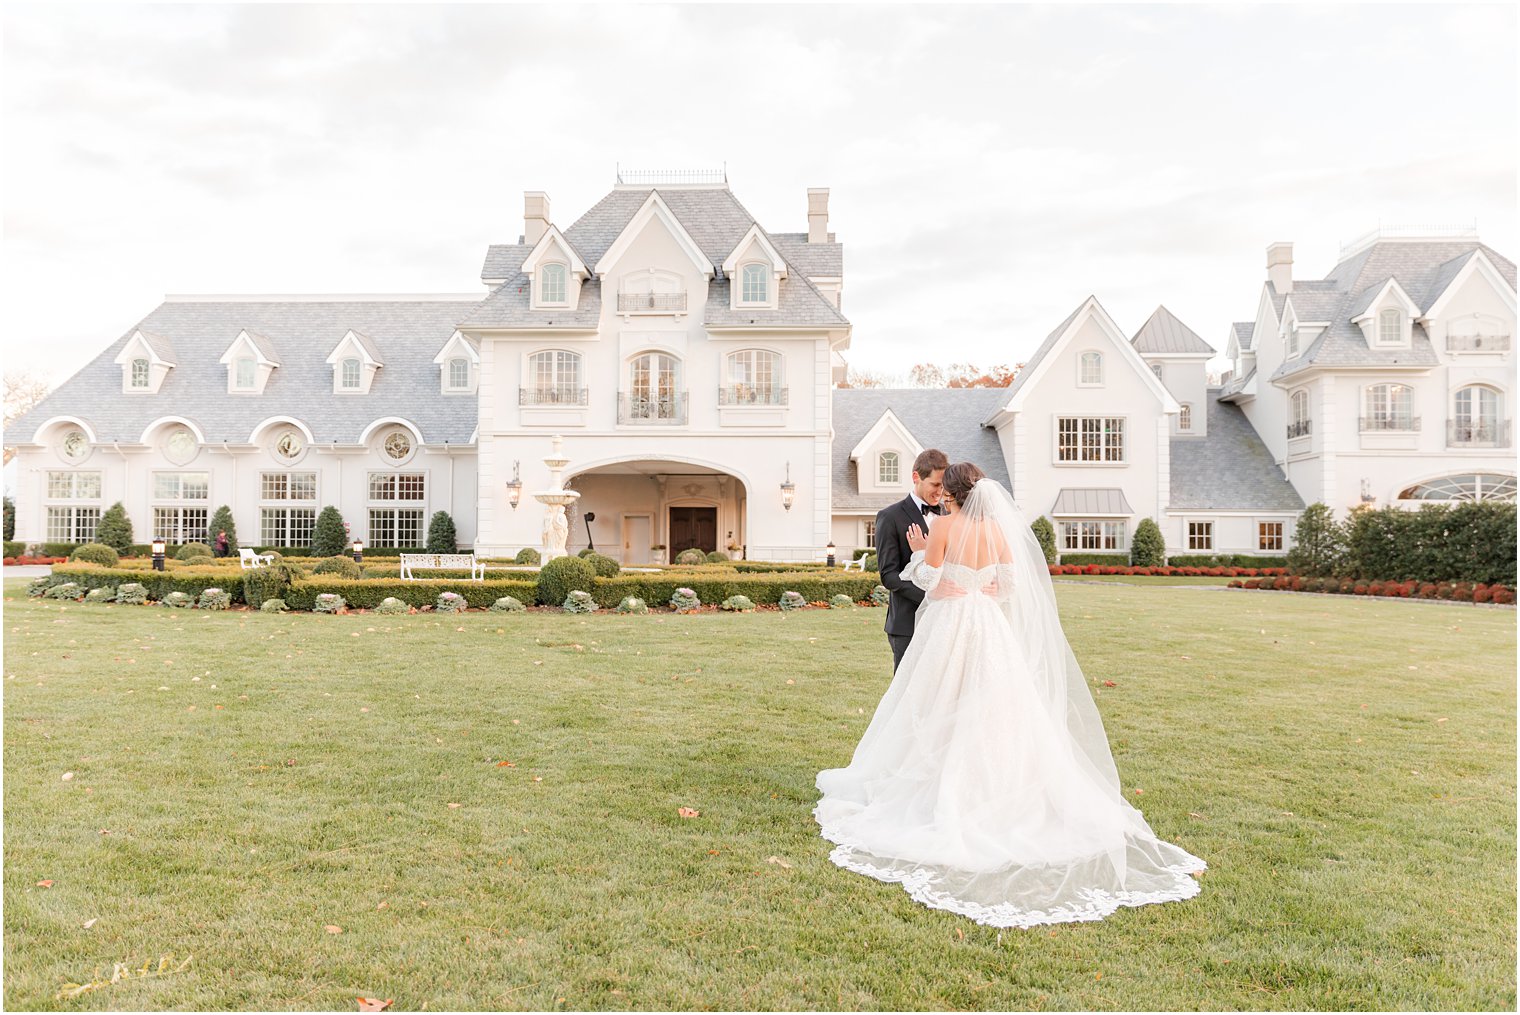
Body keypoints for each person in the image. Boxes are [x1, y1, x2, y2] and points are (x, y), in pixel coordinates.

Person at [815, 462, 1206, 928]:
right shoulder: (998, 531)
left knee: (936, 702)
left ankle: (933, 780)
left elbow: (927, 581)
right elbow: (1010, 586)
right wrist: (982, 592)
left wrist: (921, 553)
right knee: (1000, 708)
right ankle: (1003, 783)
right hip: (989, 627)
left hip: (951, 625)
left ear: (951, 494)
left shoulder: (941, 525)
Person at [873, 449, 949, 671]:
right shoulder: (890, 517)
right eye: (935, 485)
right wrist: (930, 597)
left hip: (943, 621)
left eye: (944, 486)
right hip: (907, 623)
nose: (940, 492)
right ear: (916, 477)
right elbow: (889, 576)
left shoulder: (948, 515)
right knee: (905, 695)